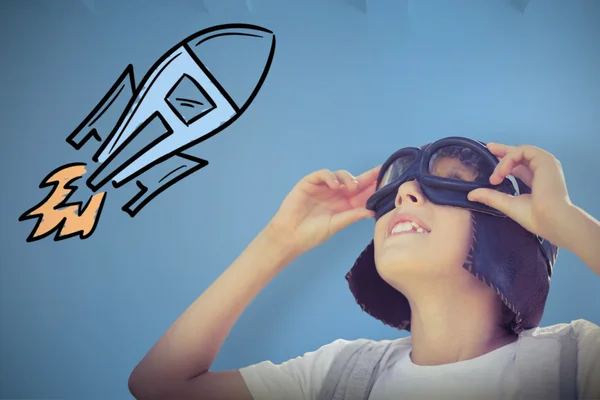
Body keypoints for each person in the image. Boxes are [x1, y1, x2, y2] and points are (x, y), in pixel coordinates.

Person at [128, 138, 600, 400]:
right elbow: (161, 387)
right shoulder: (339, 375)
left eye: (449, 184)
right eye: (399, 189)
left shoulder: (576, 363)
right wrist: (279, 240)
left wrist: (569, 224)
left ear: (512, 232)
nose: (404, 196)